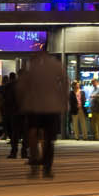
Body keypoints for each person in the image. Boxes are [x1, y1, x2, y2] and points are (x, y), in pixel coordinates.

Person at [17, 48, 70, 178]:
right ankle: (47, 168)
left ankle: (35, 164)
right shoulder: (56, 64)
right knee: (48, 138)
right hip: (51, 106)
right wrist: (63, 101)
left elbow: (21, 86)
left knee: (33, 134)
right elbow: (65, 82)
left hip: (34, 106)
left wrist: (22, 102)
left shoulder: (32, 65)